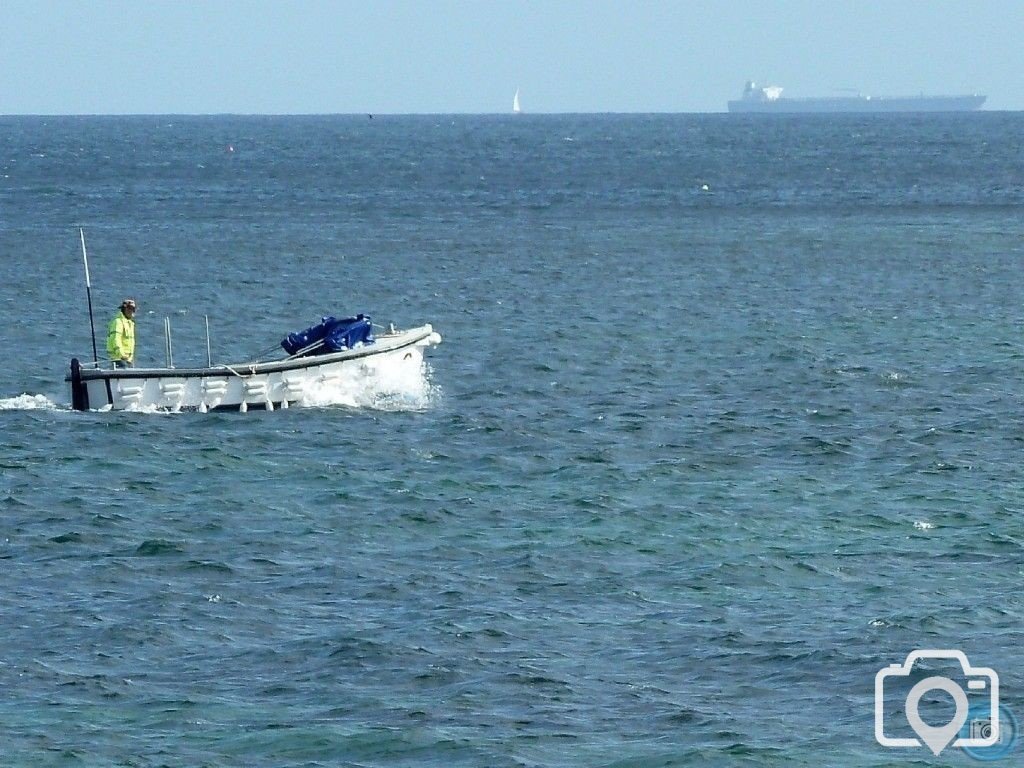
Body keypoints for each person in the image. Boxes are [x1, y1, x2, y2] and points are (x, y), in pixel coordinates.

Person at [107, 298, 137, 368]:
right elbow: (115, 340)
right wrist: (122, 355)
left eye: (133, 309)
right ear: (124, 309)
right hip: (119, 360)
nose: (132, 311)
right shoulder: (118, 322)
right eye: (130, 308)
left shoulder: (130, 324)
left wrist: (129, 359)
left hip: (128, 361)